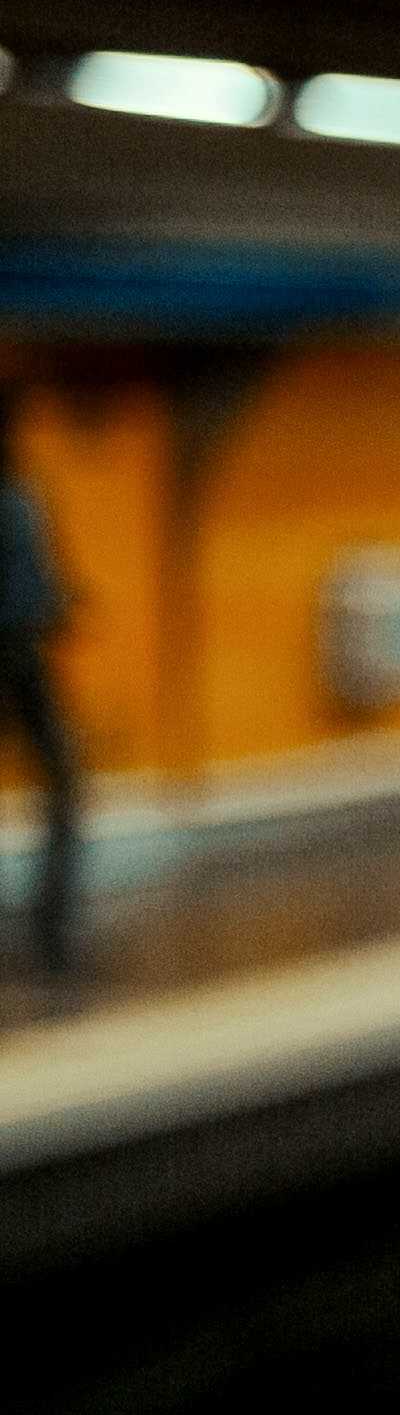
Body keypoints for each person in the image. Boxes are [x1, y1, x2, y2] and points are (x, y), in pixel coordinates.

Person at [0, 383, 80, 990]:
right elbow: (38, 593)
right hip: (21, 659)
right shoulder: (20, 501)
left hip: (20, 654)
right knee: (63, 781)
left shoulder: (23, 500)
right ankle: (51, 924)